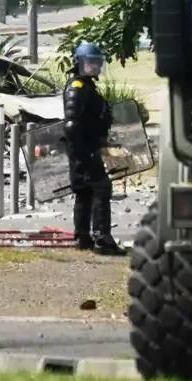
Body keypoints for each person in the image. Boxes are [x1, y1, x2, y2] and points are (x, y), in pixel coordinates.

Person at [63, 42, 123, 256]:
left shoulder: (86, 86)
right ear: (79, 63)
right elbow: (71, 124)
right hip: (84, 150)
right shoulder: (77, 87)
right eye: (90, 62)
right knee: (100, 188)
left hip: (87, 148)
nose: (95, 67)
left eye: (97, 62)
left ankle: (83, 237)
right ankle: (102, 238)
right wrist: (82, 152)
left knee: (85, 192)